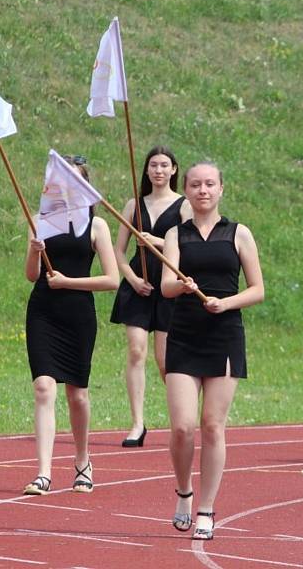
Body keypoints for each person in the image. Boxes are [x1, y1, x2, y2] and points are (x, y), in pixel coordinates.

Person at [160, 162, 264, 540]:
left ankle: (206, 509)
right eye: (195, 184)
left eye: (209, 184)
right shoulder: (176, 235)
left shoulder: (239, 233)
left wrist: (228, 302)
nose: (203, 190)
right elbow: (165, 286)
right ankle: (184, 491)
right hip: (184, 335)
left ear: (221, 188)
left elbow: (258, 289)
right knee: (183, 427)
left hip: (224, 335)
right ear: (185, 190)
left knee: (212, 426)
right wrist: (183, 286)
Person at [23, 155, 119, 495]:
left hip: (78, 313)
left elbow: (112, 279)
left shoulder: (97, 226)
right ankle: (44, 473)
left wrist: (69, 282)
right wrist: (35, 251)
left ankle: (82, 461)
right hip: (43, 311)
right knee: (43, 387)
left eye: (76, 182)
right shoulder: (41, 220)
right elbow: (32, 275)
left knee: (77, 394)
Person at [110, 146, 191, 447]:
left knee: (165, 360)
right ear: (146, 171)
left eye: (164, 165)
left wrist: (155, 240)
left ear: (173, 170)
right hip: (138, 283)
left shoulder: (184, 206)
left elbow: (188, 244)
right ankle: (137, 423)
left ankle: (179, 420)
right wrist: (131, 279)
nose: (158, 170)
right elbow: (118, 250)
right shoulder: (133, 204)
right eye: (153, 165)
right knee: (136, 350)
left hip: (168, 284)